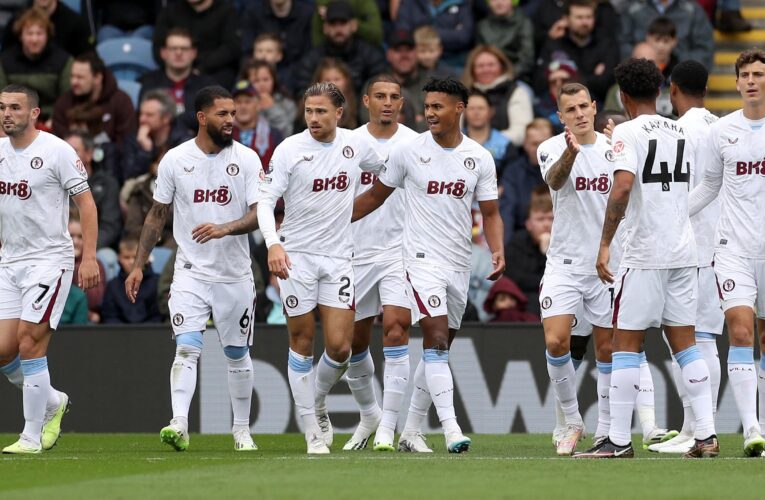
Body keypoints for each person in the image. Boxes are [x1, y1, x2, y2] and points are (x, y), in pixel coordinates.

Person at [352, 77, 505, 453]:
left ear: (459, 109)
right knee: (435, 339)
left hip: (459, 263)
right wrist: (327, 222)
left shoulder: (479, 158)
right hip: (418, 260)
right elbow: (374, 196)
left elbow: (490, 212)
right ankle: (451, 429)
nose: (430, 113)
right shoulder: (408, 152)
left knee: (440, 350)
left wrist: (497, 249)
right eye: (428, 106)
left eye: (438, 106)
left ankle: (410, 430)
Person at [576, 57, 717, 459]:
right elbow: (706, 181)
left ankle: (618, 440)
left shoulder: (626, 132)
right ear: (659, 91)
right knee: (685, 343)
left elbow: (621, 188)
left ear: (622, 94)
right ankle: (706, 434)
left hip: (643, 253)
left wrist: (605, 244)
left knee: (625, 344)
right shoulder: (682, 130)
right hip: (683, 251)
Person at [125, 86, 262, 452]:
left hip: (234, 274)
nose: (231, 120)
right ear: (202, 117)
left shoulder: (247, 160)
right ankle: (180, 423)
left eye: (232, 113)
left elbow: (258, 213)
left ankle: (241, 429)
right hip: (190, 272)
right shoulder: (175, 159)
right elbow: (157, 214)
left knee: (236, 354)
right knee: (187, 348)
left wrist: (226, 227)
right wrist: (139, 265)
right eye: (222, 114)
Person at [256, 82, 385, 454]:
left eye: (321, 111)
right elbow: (266, 201)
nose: (313, 118)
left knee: (341, 348)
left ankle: (316, 400)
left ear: (339, 113)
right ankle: (312, 430)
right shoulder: (290, 149)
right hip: (295, 257)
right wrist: (274, 244)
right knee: (301, 341)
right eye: (309, 111)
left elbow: (389, 170)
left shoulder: (356, 144)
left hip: (340, 257)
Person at [0, 83, 99, 454]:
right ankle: (54, 401)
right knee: (3, 351)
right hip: (9, 261)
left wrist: (87, 257)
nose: (6, 114)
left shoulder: (57, 151)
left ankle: (30, 436)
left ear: (34, 113)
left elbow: (86, 206)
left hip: (48, 261)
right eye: (1, 107)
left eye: (14, 108)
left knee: (29, 341)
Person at [687, 48, 765, 457]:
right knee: (739, 331)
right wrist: (673, 216)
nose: (751, 81)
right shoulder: (721, 132)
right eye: (745, 75)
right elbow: (707, 187)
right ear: (735, 83)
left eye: (758, 74)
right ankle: (750, 428)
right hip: (733, 249)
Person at [649, 59, 724, 455]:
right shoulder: (720, 126)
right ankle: (692, 427)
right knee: (699, 338)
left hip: (693, 246)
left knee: (693, 340)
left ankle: (700, 430)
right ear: (707, 90)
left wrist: (670, 217)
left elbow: (678, 191)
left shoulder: (679, 131)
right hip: (722, 244)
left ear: (672, 89)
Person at [343, 75, 418, 452]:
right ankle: (369, 415)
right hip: (354, 252)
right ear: (366, 100)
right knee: (350, 344)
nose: (387, 103)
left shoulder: (416, 144)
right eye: (380, 97)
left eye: (394, 97)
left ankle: (389, 427)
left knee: (395, 328)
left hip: (400, 252)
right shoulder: (349, 143)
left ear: (401, 104)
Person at [293, 1, 387, 97]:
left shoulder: (369, 55)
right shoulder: (313, 59)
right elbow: (302, 91)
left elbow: (380, 87)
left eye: (343, 23)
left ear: (353, 25)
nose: (338, 29)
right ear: (325, 28)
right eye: (333, 24)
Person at [533, 0, 619, 104]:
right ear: (566, 19)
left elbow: (608, 82)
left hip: (597, 104)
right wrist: (592, 78)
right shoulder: (555, 44)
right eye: (579, 17)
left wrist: (568, 78)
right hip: (558, 106)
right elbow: (539, 82)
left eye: (588, 17)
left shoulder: (606, 43)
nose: (585, 22)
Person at [138, 28, 216, 134]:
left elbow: (213, 120)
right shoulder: (149, 84)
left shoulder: (208, 87)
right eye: (173, 48)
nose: (178, 53)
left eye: (184, 49)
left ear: (193, 53)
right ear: (163, 53)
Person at [0, 7, 72, 122]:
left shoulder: (63, 61)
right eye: (29, 33)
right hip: (14, 122)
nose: (34, 39)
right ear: (21, 36)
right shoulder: (5, 61)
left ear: (47, 35)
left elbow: (67, 100)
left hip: (52, 123)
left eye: (39, 33)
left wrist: (55, 120)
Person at [52, 52, 136, 146]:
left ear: (97, 78)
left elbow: (127, 142)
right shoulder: (64, 103)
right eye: (72, 76)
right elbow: (58, 142)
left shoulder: (121, 102)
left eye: (80, 77)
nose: (74, 82)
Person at [152, 0, 241, 88]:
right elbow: (158, 48)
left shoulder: (227, 11)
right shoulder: (170, 11)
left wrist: (201, 68)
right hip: (174, 70)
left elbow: (231, 49)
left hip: (214, 71)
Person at [462, 45, 533, 146]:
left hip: (506, 155)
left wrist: (490, 144)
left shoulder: (516, 91)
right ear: (472, 70)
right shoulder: (463, 94)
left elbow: (521, 132)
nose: (486, 70)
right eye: (480, 66)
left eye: (491, 65)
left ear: (502, 66)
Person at [65, 132, 121, 252]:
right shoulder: (54, 184)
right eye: (64, 152)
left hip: (96, 248)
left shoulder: (107, 183)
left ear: (89, 154)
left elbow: (110, 227)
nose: (67, 157)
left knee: (108, 257)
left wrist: (86, 248)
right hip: (62, 247)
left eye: (74, 151)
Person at [618, 0, 714, 70]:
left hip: (683, 83)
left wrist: (674, 61)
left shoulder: (693, 11)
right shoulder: (632, 10)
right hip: (640, 81)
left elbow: (705, 52)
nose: (661, 46)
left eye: (666, 41)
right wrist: (642, 60)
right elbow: (620, 46)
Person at [121, 90, 194, 181]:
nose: (142, 119)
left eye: (149, 115)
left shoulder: (184, 141)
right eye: (141, 114)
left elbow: (187, 177)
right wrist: (146, 152)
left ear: (166, 118)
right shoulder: (133, 139)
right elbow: (129, 176)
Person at [504, 191, 552, 316]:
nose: (546, 224)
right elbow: (514, 278)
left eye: (551, 219)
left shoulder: (565, 245)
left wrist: (546, 253)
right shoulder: (516, 243)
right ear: (529, 224)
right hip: (524, 304)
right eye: (540, 219)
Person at [102, 237, 161, 324]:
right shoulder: (112, 285)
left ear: (147, 258)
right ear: (119, 258)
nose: (131, 261)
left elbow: (158, 316)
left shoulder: (157, 282)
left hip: (151, 333)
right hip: (118, 335)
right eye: (126, 257)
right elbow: (109, 316)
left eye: (135, 257)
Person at [476, 0, 534, 81]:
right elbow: (479, 56)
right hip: (488, 76)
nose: (499, 3)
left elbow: (526, 60)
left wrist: (507, 76)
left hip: (517, 78)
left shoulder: (524, 24)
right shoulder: (482, 26)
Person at [231, 79, 283, 168]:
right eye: (238, 102)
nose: (243, 106)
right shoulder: (223, 135)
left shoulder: (274, 135)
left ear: (258, 105)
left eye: (248, 101)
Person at [241, 59, 297, 138]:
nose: (262, 84)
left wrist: (271, 108)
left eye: (266, 79)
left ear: (274, 80)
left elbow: (287, 134)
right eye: (256, 81)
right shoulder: (240, 104)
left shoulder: (287, 103)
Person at [464, 89, 510, 165]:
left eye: (481, 108)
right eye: (471, 108)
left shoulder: (504, 144)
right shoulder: (453, 141)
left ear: (491, 111)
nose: (476, 113)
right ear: (464, 112)